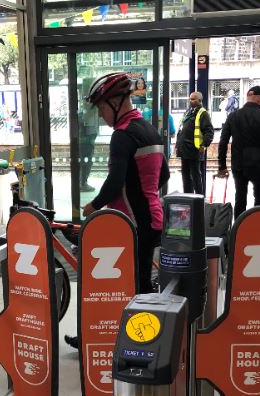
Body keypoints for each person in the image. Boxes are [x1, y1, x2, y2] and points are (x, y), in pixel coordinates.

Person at [65, 72, 169, 350]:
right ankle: (140, 340)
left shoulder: (123, 136)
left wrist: (93, 206)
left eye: (101, 108)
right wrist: (144, 193)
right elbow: (163, 176)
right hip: (151, 218)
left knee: (123, 285)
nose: (101, 115)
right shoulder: (149, 130)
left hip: (131, 224)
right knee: (140, 281)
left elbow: (114, 183)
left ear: (115, 102)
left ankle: (140, 343)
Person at [217, 85, 260, 219]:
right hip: (258, 164)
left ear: (248, 97)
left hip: (238, 164)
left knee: (240, 196)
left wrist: (222, 166)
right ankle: (257, 228)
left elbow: (223, 142)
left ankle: (239, 229)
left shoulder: (233, 116)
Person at [176, 92, 214, 195]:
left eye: (193, 99)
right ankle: (188, 196)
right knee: (185, 175)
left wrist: (204, 145)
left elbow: (209, 131)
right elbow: (181, 129)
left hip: (194, 149)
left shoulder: (203, 113)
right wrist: (177, 145)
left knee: (195, 175)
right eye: (190, 99)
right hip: (184, 149)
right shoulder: (188, 112)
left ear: (199, 100)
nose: (190, 101)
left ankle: (199, 197)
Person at [79, 80, 100, 193]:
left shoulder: (86, 109)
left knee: (85, 161)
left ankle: (82, 182)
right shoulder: (86, 110)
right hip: (86, 141)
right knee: (86, 161)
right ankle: (82, 183)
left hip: (88, 139)